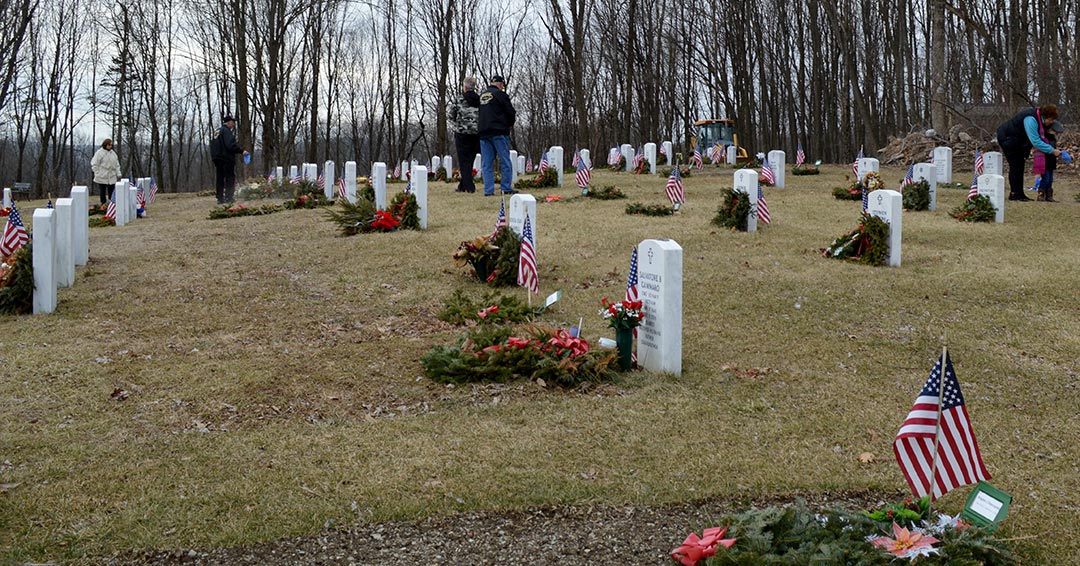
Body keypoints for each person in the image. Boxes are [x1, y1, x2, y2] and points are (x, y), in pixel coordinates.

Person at [995, 104, 1063, 201]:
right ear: (1045, 116)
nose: (1051, 122)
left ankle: (1020, 194)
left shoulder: (1040, 118)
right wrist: (1052, 150)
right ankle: (1014, 194)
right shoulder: (1031, 119)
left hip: (1018, 141)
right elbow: (1035, 141)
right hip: (1008, 138)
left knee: (1020, 165)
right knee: (1015, 165)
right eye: (1051, 120)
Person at [478, 75, 518, 196]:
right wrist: (509, 124)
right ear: (500, 84)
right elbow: (511, 112)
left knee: (486, 163)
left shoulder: (482, 96)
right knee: (505, 160)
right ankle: (506, 187)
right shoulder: (501, 95)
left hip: (484, 132)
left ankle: (488, 190)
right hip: (499, 131)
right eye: (503, 85)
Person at [448, 76, 481, 193]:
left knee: (463, 161)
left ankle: (469, 187)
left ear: (465, 87)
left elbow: (451, 115)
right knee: (470, 160)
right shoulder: (480, 100)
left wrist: (459, 123)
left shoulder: (459, 99)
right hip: (476, 134)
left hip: (462, 133)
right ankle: (462, 186)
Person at [209, 115, 249, 204]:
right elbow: (230, 145)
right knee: (229, 177)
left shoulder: (217, 131)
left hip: (217, 158)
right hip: (226, 158)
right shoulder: (226, 131)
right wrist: (241, 151)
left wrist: (214, 157)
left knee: (220, 178)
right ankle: (229, 197)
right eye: (233, 122)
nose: (234, 124)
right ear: (229, 122)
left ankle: (220, 198)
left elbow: (213, 145)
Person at [1035, 123, 1062, 202]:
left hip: (1051, 162)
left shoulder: (1053, 139)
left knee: (1050, 179)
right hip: (1045, 162)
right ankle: (1041, 194)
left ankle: (1049, 195)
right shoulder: (1044, 139)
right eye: (1055, 132)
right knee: (1045, 179)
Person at [90, 139, 121, 205]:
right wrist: (97, 172)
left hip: (111, 175)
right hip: (102, 175)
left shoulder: (113, 153)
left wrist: (118, 173)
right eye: (109, 145)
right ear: (105, 145)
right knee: (102, 191)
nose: (110, 146)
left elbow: (117, 164)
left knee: (111, 191)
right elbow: (94, 163)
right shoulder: (99, 153)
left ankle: (112, 204)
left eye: (111, 145)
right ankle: (103, 204)